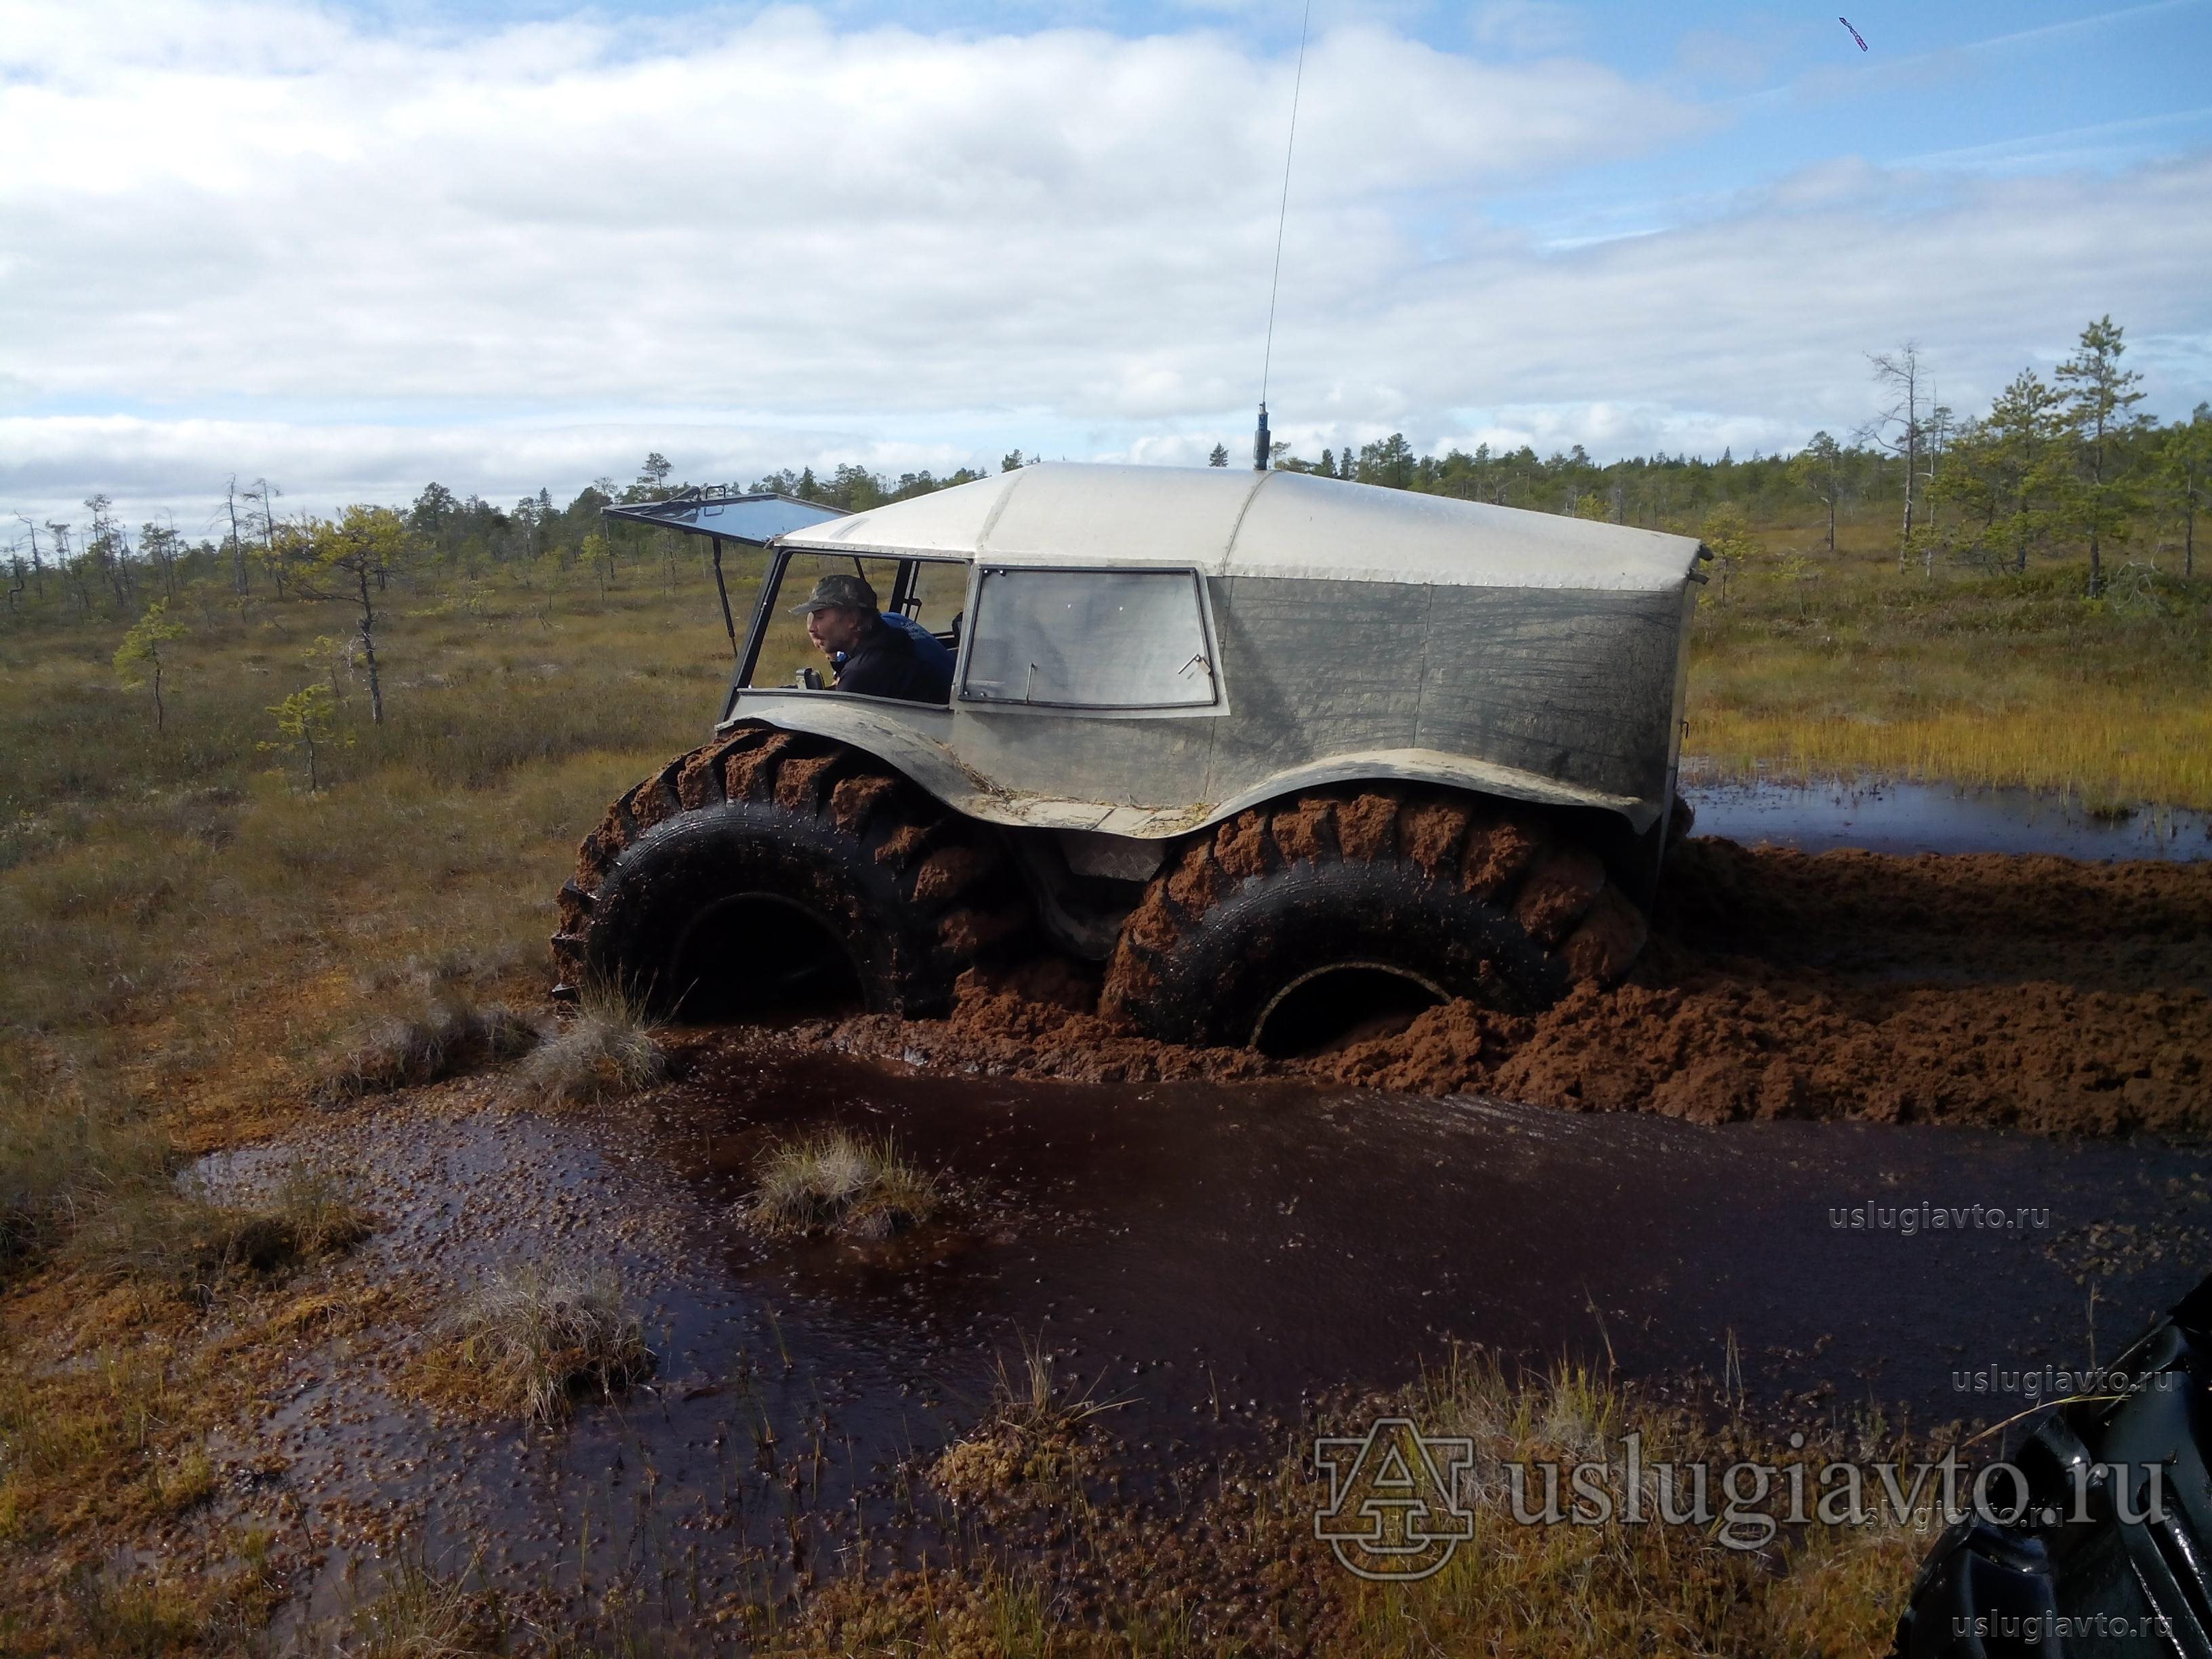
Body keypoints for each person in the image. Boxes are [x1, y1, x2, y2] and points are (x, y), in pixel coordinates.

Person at [790, 573, 952, 705]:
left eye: (820, 617)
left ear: (852, 619)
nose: (812, 628)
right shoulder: (893, 637)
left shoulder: (860, 673)